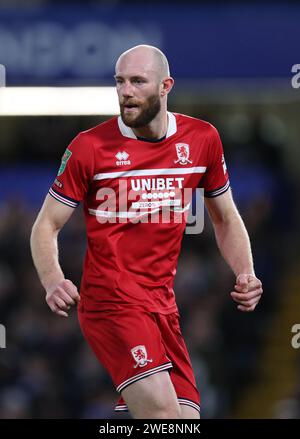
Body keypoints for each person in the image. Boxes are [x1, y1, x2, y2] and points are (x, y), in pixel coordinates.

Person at [30, 45, 263, 419]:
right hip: (111, 303)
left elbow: (225, 217)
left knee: (185, 420)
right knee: (165, 419)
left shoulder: (202, 139)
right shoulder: (89, 147)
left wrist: (245, 272)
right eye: (120, 82)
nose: (126, 91)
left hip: (163, 307)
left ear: (165, 86)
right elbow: (46, 225)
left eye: (138, 81)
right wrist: (53, 279)